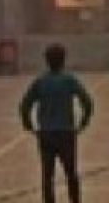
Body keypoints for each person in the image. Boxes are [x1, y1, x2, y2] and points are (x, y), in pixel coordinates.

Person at [19, 43, 93, 203]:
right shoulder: (69, 80)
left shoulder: (40, 82)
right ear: (63, 60)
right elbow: (87, 102)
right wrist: (83, 123)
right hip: (66, 132)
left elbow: (25, 104)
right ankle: (75, 200)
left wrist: (28, 124)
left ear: (46, 61)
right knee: (71, 172)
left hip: (46, 133)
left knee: (47, 175)